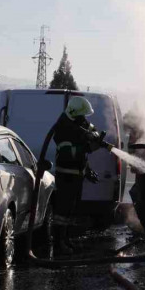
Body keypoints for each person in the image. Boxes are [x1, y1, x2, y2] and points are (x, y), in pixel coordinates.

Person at [53, 96, 110, 254]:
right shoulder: (62, 129)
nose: (84, 118)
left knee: (71, 210)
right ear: (74, 113)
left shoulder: (77, 122)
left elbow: (90, 131)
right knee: (62, 212)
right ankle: (58, 243)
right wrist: (90, 145)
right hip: (66, 175)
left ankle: (66, 239)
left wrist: (95, 137)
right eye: (82, 115)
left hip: (76, 173)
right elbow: (70, 154)